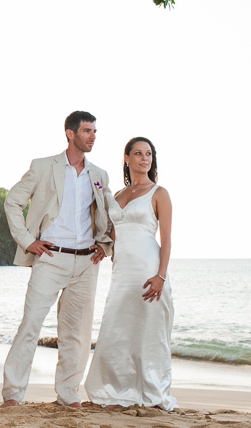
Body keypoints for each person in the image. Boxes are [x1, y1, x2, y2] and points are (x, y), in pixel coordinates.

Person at [1, 111, 114, 409]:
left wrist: (107, 246)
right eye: (87, 131)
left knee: (77, 335)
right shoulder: (42, 167)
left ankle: (68, 395)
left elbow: (111, 213)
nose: (92, 136)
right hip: (50, 258)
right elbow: (12, 201)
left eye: (94, 131)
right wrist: (28, 241)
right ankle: (13, 394)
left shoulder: (99, 175)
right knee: (30, 326)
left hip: (87, 262)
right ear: (70, 133)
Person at [85, 137, 176, 411]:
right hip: (122, 271)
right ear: (127, 158)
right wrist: (103, 248)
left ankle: (154, 394)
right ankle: (118, 392)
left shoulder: (159, 193)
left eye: (149, 154)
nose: (144, 158)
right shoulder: (117, 196)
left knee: (151, 333)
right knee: (118, 330)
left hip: (149, 269)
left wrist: (161, 275)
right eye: (138, 153)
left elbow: (167, 239)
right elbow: (113, 237)